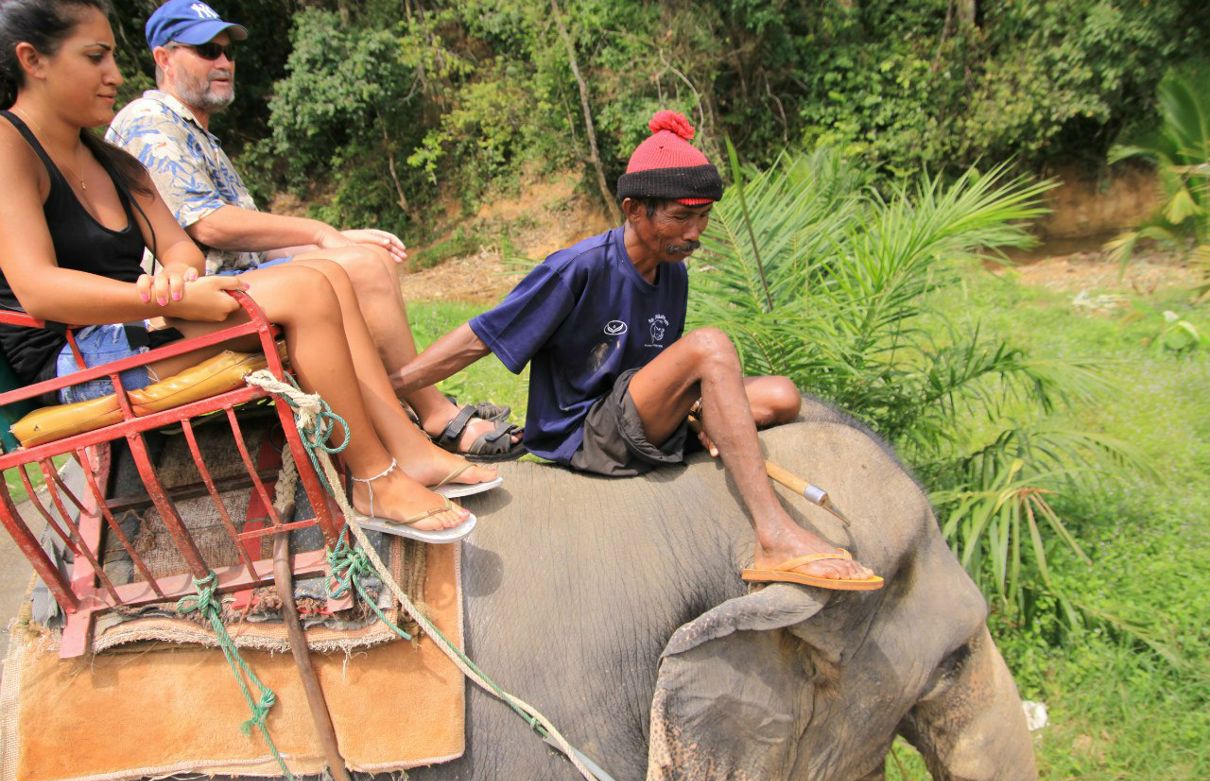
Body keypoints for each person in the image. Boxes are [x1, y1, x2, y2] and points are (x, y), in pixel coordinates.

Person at [0, 0, 501, 543]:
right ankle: (374, 478)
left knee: (328, 278)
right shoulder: (9, 145)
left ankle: (408, 450)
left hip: (140, 324)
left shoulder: (109, 159)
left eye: (113, 57)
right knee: (307, 289)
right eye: (95, 57)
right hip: (75, 359)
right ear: (34, 60)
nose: (115, 75)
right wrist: (169, 301)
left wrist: (175, 276)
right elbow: (39, 290)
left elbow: (179, 247)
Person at [393, 110, 884, 589]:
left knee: (781, 394)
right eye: (680, 218)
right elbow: (482, 336)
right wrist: (390, 387)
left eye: (704, 218)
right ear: (633, 209)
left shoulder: (673, 271)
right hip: (588, 431)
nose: (694, 234)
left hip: (635, 415)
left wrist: (695, 406)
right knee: (710, 346)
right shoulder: (578, 267)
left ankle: (710, 434)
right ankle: (774, 535)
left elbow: (654, 369)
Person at [105, 0, 522, 461]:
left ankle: (409, 404)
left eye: (227, 51)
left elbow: (248, 248)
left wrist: (340, 236)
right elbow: (210, 224)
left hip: (239, 288)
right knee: (360, 268)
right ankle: (433, 413)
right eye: (206, 50)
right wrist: (321, 233)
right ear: (163, 58)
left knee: (371, 256)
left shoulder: (197, 133)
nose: (223, 62)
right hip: (190, 307)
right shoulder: (149, 123)